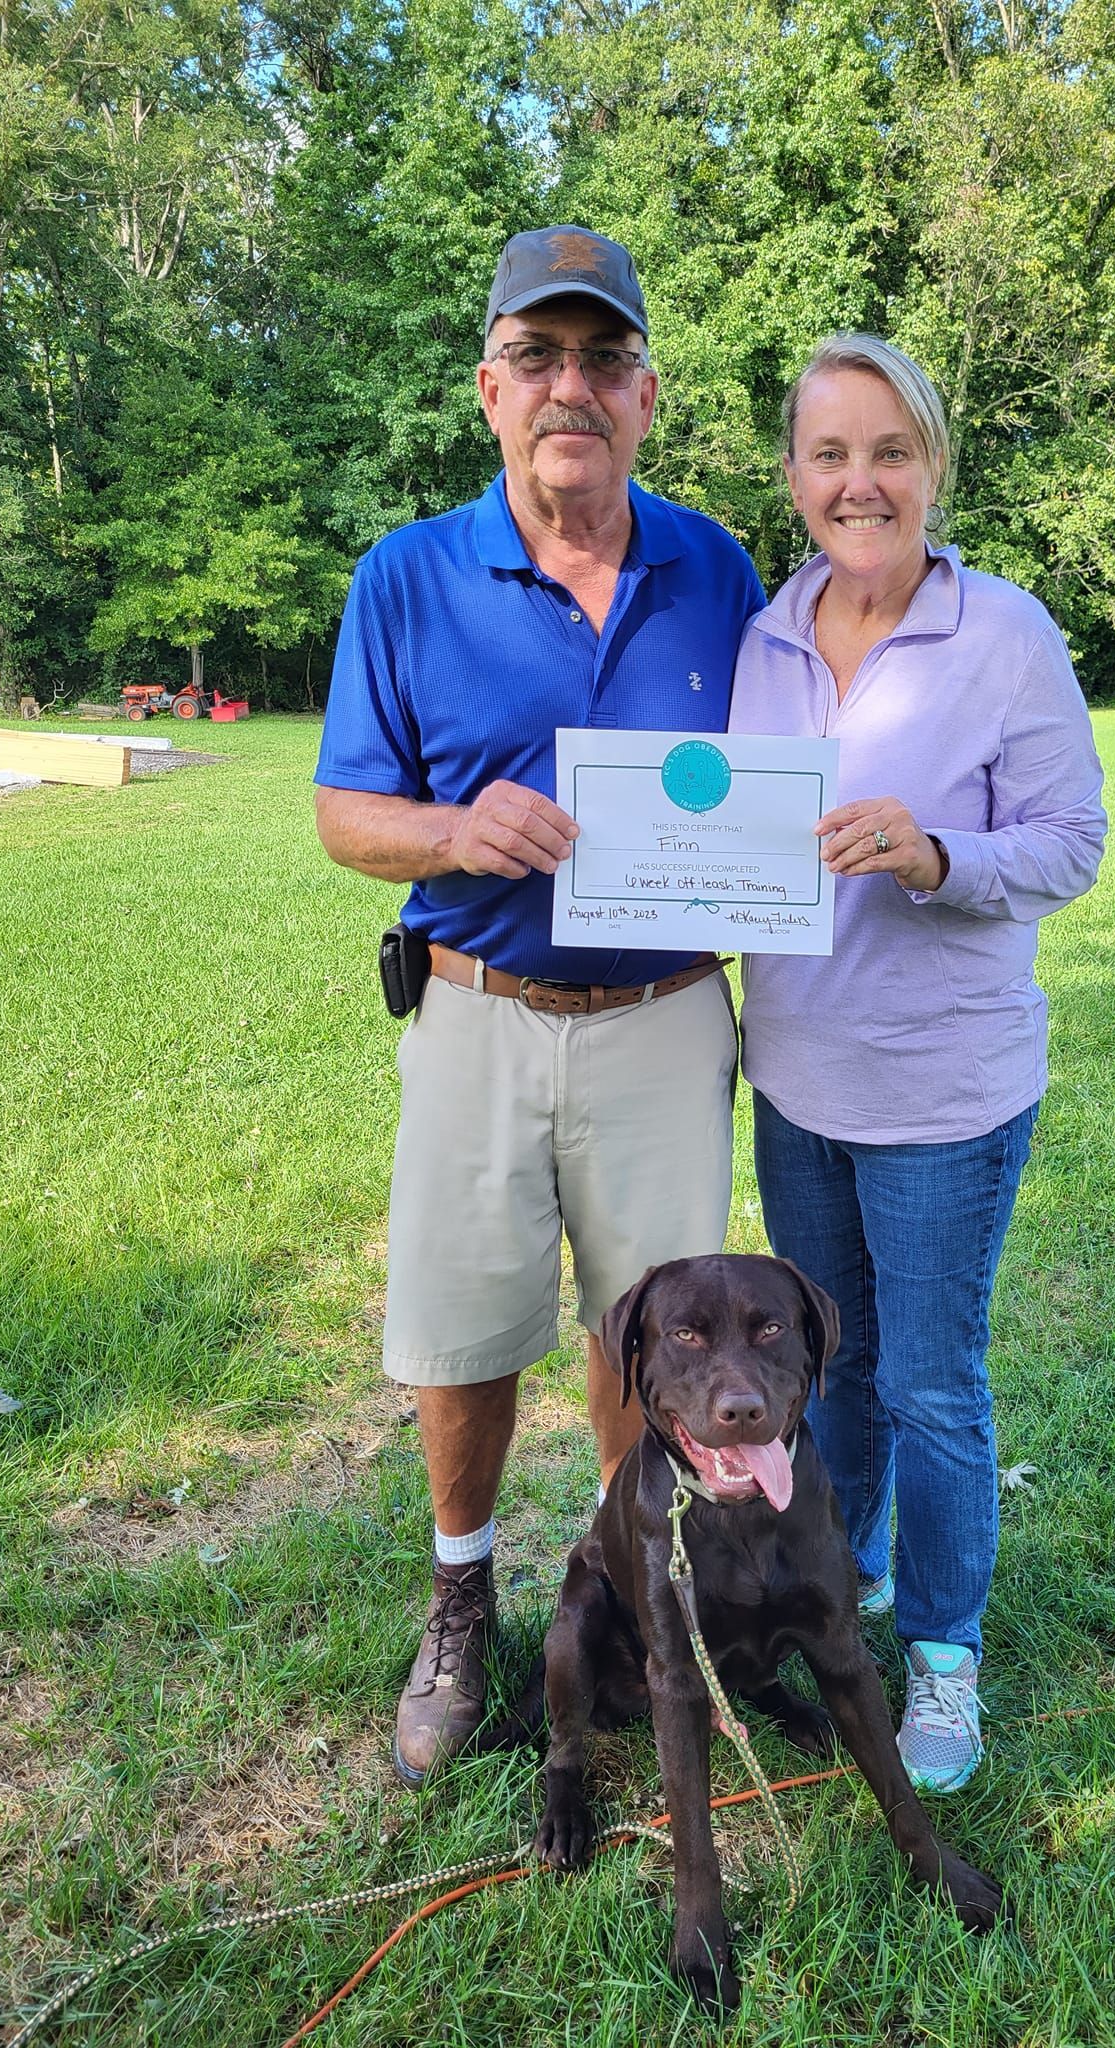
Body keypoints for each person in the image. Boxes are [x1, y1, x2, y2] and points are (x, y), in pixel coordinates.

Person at [314, 227, 763, 1787]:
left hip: (662, 1017)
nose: (571, 388)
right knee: (463, 1328)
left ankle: (637, 1588)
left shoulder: (717, 567)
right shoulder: (408, 575)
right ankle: (460, 1598)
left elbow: (775, 778)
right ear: (490, 389)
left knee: (654, 1336)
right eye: (539, 360)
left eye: (602, 361)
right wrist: (451, 832)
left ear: (647, 394)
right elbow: (339, 814)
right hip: (477, 1004)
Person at [729, 334, 1106, 1793]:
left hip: (946, 1090)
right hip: (798, 1080)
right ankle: (856, 1571)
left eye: (890, 451)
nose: (860, 481)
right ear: (794, 477)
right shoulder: (767, 638)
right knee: (831, 1364)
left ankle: (945, 1657)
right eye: (830, 454)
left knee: (935, 1382)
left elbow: (1074, 843)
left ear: (934, 467)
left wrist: (942, 855)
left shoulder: (1005, 633)